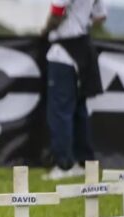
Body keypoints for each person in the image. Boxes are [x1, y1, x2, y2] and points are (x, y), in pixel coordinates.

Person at [41, 0, 108, 181]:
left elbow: (57, 9)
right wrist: (81, 22)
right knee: (79, 110)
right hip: (83, 48)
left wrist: (46, 30)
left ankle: (64, 165)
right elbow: (100, 16)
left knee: (60, 111)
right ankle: (83, 162)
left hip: (63, 51)